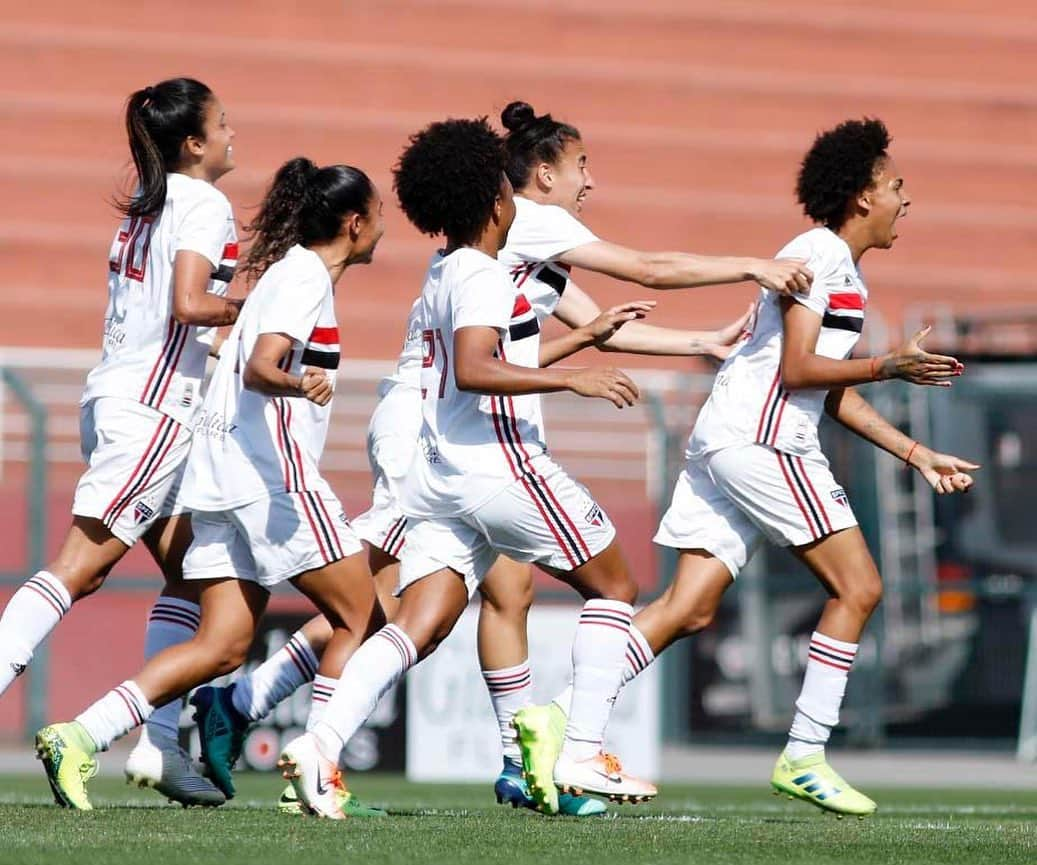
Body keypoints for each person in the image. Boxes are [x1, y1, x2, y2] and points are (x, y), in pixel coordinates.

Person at [193, 99, 811, 815]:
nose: (589, 182)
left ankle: (338, 740)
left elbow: (589, 328)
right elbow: (641, 270)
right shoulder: (522, 229)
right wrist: (753, 266)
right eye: (581, 165)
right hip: (465, 437)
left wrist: (697, 343)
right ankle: (561, 750)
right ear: (534, 175)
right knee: (566, 589)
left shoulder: (482, 255)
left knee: (438, 608)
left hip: (443, 444)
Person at [516, 117, 980, 817]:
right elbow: (798, 371)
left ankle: (556, 716)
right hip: (764, 442)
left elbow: (829, 388)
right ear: (860, 196)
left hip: (730, 437)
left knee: (687, 606)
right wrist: (888, 364)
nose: (904, 200)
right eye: (895, 186)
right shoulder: (818, 255)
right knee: (859, 587)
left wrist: (914, 453)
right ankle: (805, 752)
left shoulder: (834, 264)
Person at [273, 116, 656, 819]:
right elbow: (480, 369)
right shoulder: (482, 273)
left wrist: (580, 342)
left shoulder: (447, 266)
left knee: (424, 617)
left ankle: (320, 740)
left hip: (442, 473)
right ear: (496, 203)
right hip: (498, 464)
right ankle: (579, 748)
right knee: (614, 587)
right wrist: (571, 378)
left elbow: (469, 366)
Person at [33, 158, 386, 812]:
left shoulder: (289, 278)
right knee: (363, 616)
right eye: (378, 217)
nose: (383, 231)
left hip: (221, 484)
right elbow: (260, 367)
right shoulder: (305, 276)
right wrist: (295, 381)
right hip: (273, 481)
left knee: (221, 646)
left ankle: (81, 734)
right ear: (354, 222)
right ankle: (318, 769)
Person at [0, 77, 240, 806]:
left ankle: (161, 745)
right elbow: (191, 304)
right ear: (193, 142)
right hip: (155, 412)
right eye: (223, 123)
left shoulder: (146, 206)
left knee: (199, 586)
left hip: (123, 399)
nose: (234, 133)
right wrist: (257, 307)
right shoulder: (203, 202)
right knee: (81, 567)